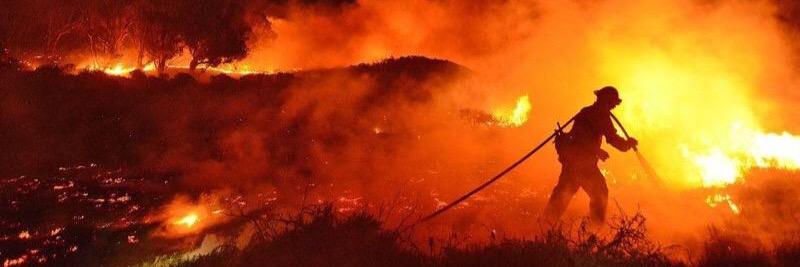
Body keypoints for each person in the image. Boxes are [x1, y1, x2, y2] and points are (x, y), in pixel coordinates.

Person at [543, 86, 638, 226]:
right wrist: (627, 144)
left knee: (562, 195)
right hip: (583, 165)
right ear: (607, 100)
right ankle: (595, 232)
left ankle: (543, 227)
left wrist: (597, 151)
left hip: (572, 162)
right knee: (600, 194)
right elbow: (611, 139)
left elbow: (577, 137)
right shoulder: (601, 115)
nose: (613, 106)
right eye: (612, 103)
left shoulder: (586, 111)